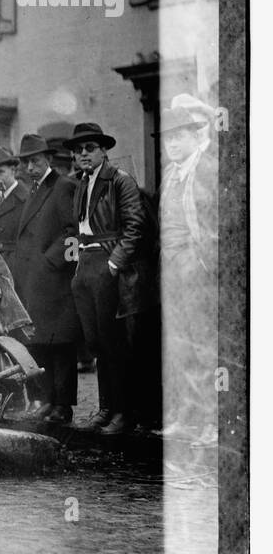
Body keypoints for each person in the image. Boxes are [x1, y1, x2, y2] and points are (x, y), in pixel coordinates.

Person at [66, 121, 147, 436]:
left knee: (114, 342)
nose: (83, 154)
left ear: (103, 151)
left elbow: (134, 225)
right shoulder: (82, 182)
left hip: (107, 262)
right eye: (78, 150)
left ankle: (124, 412)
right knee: (95, 340)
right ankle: (106, 407)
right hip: (85, 264)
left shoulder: (119, 181)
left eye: (89, 148)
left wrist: (114, 264)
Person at [155, 106, 219, 448]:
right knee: (178, 345)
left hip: (197, 267)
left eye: (179, 137)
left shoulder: (208, 170)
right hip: (171, 266)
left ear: (196, 137)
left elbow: (220, 225)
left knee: (203, 345)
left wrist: (203, 262)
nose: (172, 144)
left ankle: (212, 421)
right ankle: (186, 418)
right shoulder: (170, 174)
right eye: (168, 138)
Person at [12, 133, 81, 425]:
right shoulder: (35, 190)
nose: (30, 167)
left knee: (61, 344)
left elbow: (73, 232)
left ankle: (63, 405)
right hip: (35, 282)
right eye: (26, 162)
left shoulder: (63, 186)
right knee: (42, 343)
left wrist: (49, 262)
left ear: (48, 159)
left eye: (35, 161)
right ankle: (50, 401)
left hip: (55, 282)